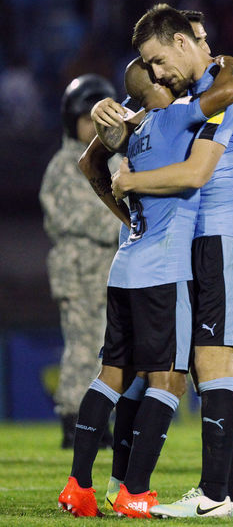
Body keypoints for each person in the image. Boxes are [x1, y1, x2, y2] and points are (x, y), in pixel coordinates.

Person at [96, 3, 233, 518]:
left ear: (180, 42)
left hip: (228, 234)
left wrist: (127, 184)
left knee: (213, 366)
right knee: (202, 368)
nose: (154, 74)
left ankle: (215, 495)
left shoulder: (231, 90)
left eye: (155, 61)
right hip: (200, 240)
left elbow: (195, 174)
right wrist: (114, 111)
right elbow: (129, 130)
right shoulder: (195, 95)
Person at [58, 55, 233, 518]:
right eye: (164, 74)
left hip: (125, 264)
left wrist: (116, 109)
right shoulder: (172, 115)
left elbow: (87, 162)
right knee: (169, 380)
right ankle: (133, 490)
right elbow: (225, 93)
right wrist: (226, 60)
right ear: (156, 86)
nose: (173, 76)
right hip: (163, 270)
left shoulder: (132, 128)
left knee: (111, 376)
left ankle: (78, 486)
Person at [40, 74, 120, 449]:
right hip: (78, 267)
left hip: (109, 267)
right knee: (82, 346)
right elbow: (67, 217)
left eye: (99, 117)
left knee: (107, 348)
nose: (93, 125)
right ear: (72, 120)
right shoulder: (64, 163)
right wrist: (124, 221)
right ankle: (73, 419)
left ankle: (97, 421)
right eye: (86, 118)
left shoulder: (115, 158)